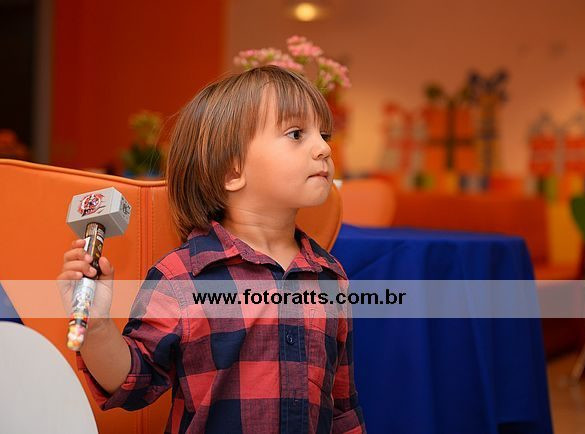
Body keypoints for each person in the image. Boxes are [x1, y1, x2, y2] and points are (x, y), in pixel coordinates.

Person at [58, 65, 365, 434]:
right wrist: (96, 326)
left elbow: (342, 409)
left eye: (324, 134)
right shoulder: (182, 276)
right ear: (232, 171)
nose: (324, 148)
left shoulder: (330, 276)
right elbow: (133, 383)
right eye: (296, 134)